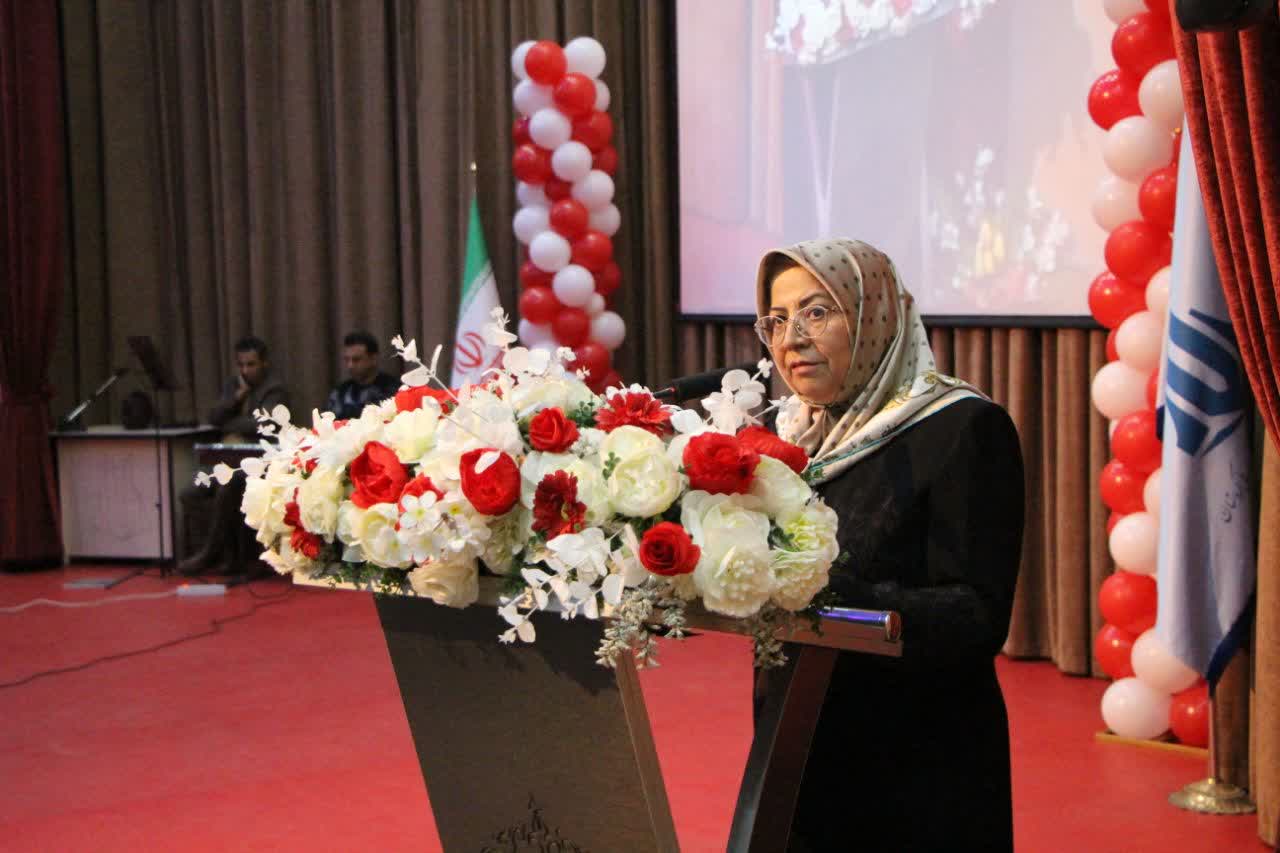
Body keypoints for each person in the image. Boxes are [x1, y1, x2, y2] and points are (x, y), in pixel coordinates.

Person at [752, 238, 1024, 851]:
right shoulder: (784, 433)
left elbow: (977, 615)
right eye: (777, 319)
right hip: (798, 740)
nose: (792, 338)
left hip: (917, 760)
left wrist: (831, 593)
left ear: (875, 315)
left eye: (816, 312)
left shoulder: (961, 427)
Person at [179, 336, 291, 576]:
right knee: (190, 493)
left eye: (251, 364)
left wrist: (230, 422)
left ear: (264, 363)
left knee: (227, 488)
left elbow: (265, 426)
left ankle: (211, 552)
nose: (245, 370)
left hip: (259, 462)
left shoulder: (275, 389)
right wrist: (235, 399)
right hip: (228, 459)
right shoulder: (234, 385)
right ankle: (227, 554)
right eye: (241, 365)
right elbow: (214, 417)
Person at [323, 330, 399, 419]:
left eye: (356, 359)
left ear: (373, 358)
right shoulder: (340, 392)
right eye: (347, 359)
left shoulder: (393, 390)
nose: (350, 365)